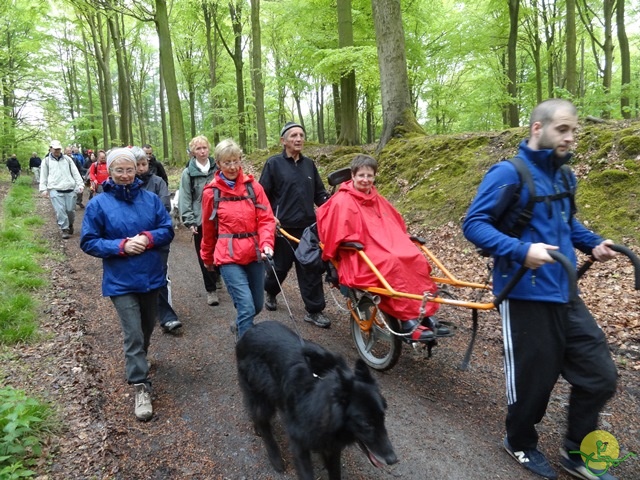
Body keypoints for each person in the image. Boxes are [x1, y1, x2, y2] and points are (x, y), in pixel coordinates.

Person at [462, 99, 618, 480]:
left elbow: (567, 224)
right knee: (535, 382)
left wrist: (593, 243)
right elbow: (474, 224)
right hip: (524, 295)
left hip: (565, 292)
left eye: (574, 130)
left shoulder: (565, 176)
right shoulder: (508, 174)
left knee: (601, 375)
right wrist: (521, 250)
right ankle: (518, 441)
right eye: (563, 129)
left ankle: (577, 452)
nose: (571, 137)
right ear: (538, 129)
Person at [80, 148, 174, 421]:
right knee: (132, 333)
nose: (124, 175)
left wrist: (147, 238)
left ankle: (139, 359)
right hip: (120, 280)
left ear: (137, 171)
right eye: (118, 170)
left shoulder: (151, 199)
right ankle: (140, 385)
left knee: (146, 327)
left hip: (151, 276)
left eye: (129, 170)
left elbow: (167, 229)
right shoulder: (99, 204)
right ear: (110, 171)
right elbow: (88, 241)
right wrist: (121, 246)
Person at [316, 155, 446, 341]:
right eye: (361, 175)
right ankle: (407, 319)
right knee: (392, 263)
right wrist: (331, 254)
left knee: (414, 258)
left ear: (375, 176)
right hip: (358, 252)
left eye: (369, 176)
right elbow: (334, 235)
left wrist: (404, 240)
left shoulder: (377, 198)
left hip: (385, 244)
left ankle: (425, 314)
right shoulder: (342, 200)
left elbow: (394, 224)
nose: (365, 180)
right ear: (352, 176)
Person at [200, 139, 275, 339]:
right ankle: (246, 354)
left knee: (257, 305)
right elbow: (208, 229)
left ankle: (241, 324)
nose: (232, 167)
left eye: (236, 161)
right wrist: (207, 258)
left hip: (255, 253)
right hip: (228, 256)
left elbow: (267, 219)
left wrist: (267, 243)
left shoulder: (254, 188)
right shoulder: (211, 193)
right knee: (247, 306)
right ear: (218, 163)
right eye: (227, 162)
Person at [259, 121, 331, 328]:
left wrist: (333, 206)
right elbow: (262, 196)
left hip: (308, 229)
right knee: (280, 268)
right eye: (293, 136)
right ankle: (271, 291)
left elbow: (319, 194)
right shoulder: (274, 164)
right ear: (283, 141)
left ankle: (314, 310)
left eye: (301, 135)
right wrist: (270, 217)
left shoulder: (309, 165)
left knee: (310, 268)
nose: (298, 139)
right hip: (283, 229)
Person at [132, 146, 182, 334]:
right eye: (137, 165)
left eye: (144, 164)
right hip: (131, 240)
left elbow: (164, 206)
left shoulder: (158, 182)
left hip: (157, 237)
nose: (141, 168)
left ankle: (167, 316)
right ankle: (142, 311)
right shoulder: (126, 186)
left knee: (159, 274)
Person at [178, 135, 221, 306]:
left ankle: (217, 275)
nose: (202, 151)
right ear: (192, 152)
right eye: (198, 149)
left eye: (205, 148)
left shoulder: (218, 167)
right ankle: (211, 290)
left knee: (222, 250)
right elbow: (185, 198)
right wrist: (190, 220)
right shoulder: (188, 172)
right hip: (201, 219)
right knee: (204, 254)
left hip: (221, 217)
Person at [40, 140, 85, 239]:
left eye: (59, 149)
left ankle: (70, 224)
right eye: (55, 149)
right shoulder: (46, 161)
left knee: (70, 210)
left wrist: (80, 184)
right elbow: (43, 175)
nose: (57, 151)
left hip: (69, 188)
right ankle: (64, 229)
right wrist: (43, 189)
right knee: (60, 210)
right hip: (55, 189)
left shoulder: (68, 160)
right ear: (50, 148)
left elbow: (75, 172)